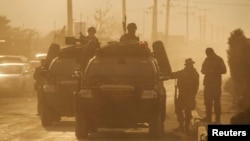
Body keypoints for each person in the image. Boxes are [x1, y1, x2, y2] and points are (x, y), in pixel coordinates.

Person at [170, 58, 199, 133]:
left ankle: (186, 127)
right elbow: (172, 75)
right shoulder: (182, 72)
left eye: (190, 64)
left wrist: (193, 95)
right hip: (182, 94)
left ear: (192, 65)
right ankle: (181, 126)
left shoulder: (195, 74)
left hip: (190, 94)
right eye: (188, 65)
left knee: (188, 111)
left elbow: (196, 86)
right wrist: (166, 73)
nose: (189, 66)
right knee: (178, 110)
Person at [201, 47, 227, 123]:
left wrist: (214, 71)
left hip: (216, 85)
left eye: (208, 54)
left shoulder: (219, 59)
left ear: (212, 52)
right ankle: (208, 118)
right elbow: (202, 70)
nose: (208, 56)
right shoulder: (207, 59)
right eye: (207, 54)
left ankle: (217, 120)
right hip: (208, 84)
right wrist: (206, 71)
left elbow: (224, 70)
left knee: (216, 102)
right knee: (208, 102)